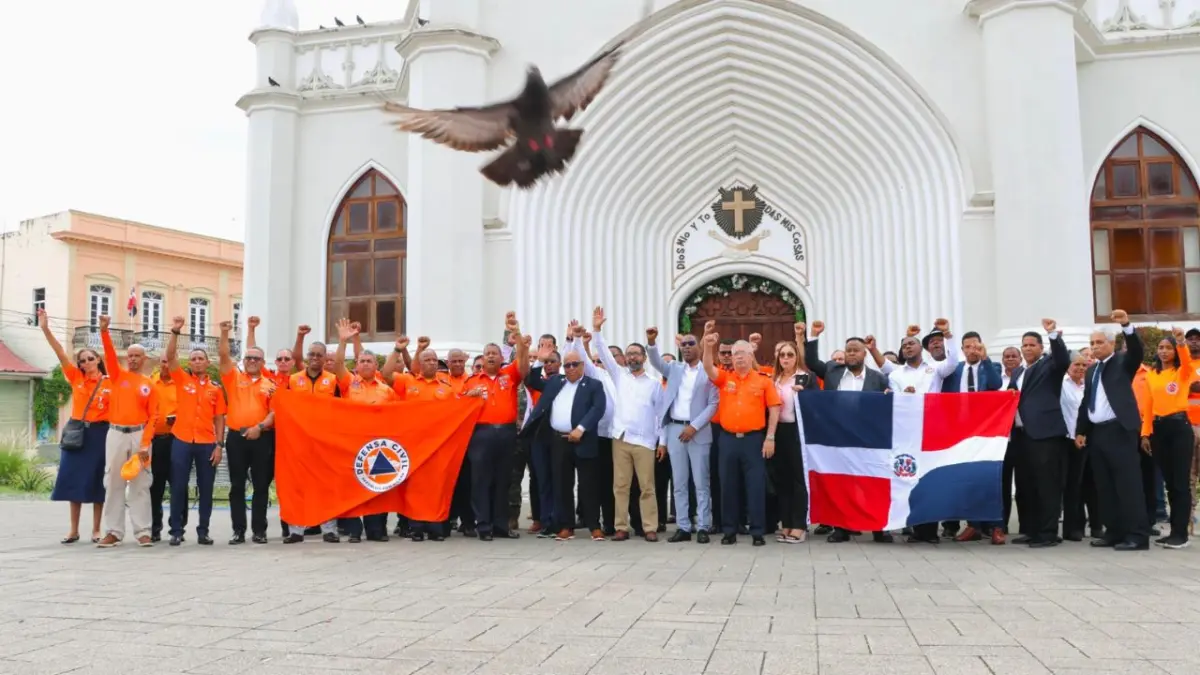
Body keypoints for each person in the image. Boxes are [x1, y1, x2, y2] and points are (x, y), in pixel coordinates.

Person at [803, 324, 893, 543]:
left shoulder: (877, 378)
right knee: (842, 484)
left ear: (864, 354)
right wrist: (814, 336)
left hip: (867, 439)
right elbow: (812, 363)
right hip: (839, 437)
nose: (851, 353)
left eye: (856, 350)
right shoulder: (833, 372)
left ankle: (878, 528)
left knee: (871, 483)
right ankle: (841, 528)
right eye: (848, 350)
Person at [1074, 310, 1150, 551]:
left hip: (1120, 431)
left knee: (1127, 484)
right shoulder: (1092, 370)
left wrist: (1126, 325)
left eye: (1099, 343)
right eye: (1092, 343)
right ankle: (1114, 531)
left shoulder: (1122, 362)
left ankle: (1137, 535)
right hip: (1098, 433)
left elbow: (1136, 350)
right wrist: (1081, 431)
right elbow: (1087, 402)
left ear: (1112, 343)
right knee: (1104, 485)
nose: (1095, 347)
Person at [701, 323, 781, 547]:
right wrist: (708, 346)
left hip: (754, 439)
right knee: (728, 485)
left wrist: (770, 437)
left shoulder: (763, 380)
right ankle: (729, 531)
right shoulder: (726, 379)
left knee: (755, 485)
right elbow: (708, 367)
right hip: (727, 439)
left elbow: (775, 408)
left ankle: (757, 531)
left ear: (750, 354)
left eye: (742, 353)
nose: (738, 358)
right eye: (735, 354)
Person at [590, 307, 664, 542]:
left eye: (636, 354)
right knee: (620, 486)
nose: (632, 357)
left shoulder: (653, 383)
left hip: (645, 441)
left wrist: (662, 441)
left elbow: (660, 416)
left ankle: (649, 527)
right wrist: (597, 329)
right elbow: (602, 352)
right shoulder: (619, 375)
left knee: (647, 487)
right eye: (629, 354)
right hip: (620, 439)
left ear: (644, 358)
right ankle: (621, 526)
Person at [520, 345, 607, 541]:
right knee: (561, 484)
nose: (570, 368)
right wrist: (540, 361)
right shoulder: (555, 382)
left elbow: (598, 408)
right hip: (559, 441)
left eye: (574, 364)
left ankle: (594, 525)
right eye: (567, 365)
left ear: (582, 365)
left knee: (588, 485)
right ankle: (566, 525)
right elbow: (531, 380)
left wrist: (581, 428)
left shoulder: (593, 385)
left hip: (583, 439)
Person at [38, 308, 110, 544]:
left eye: (90, 358)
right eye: (82, 360)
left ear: (98, 359)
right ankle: (74, 529)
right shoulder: (76, 378)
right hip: (77, 432)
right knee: (74, 479)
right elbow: (60, 353)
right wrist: (45, 328)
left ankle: (97, 529)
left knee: (98, 481)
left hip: (101, 433)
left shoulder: (110, 383)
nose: (86, 362)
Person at [460, 312, 530, 541]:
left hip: (507, 433)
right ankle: (484, 526)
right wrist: (467, 397)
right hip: (481, 435)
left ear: (501, 358)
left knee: (504, 480)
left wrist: (516, 334)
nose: (491, 357)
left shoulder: (509, 376)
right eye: (487, 354)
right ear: (482, 359)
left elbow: (522, 360)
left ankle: (501, 525)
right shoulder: (471, 381)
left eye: (495, 354)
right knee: (481, 481)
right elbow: (457, 408)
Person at [647, 326, 719, 544]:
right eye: (683, 344)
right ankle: (683, 526)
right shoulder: (675, 369)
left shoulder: (709, 371)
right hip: (675, 430)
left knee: (701, 482)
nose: (686, 347)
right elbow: (657, 363)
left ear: (699, 347)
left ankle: (704, 525)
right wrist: (651, 343)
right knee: (679, 482)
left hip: (699, 431)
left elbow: (714, 404)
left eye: (690, 344)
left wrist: (694, 426)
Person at [1008, 319, 1072, 547]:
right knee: (1027, 486)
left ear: (1041, 347)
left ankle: (1048, 533)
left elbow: (1063, 359)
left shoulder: (1049, 365)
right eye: (1024, 345)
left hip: (1046, 435)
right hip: (1022, 436)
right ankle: (1031, 529)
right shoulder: (1017, 372)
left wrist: (1053, 334)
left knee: (1047, 485)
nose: (1027, 348)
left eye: (1032, 345)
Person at [163, 315, 227, 546]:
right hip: (181, 439)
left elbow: (220, 418)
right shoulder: (182, 380)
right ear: (189, 363)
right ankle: (176, 531)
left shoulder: (215, 389)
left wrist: (219, 445)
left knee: (206, 488)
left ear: (208, 363)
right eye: (193, 359)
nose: (197, 361)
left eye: (201, 358)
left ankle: (203, 531)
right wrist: (175, 332)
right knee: (178, 486)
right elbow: (170, 357)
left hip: (206, 443)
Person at [95, 315, 158, 548]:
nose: (132, 359)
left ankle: (142, 531)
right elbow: (109, 356)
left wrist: (145, 443)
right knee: (113, 481)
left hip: (139, 435)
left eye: (136, 356)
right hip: (116, 434)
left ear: (144, 359)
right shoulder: (117, 376)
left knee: (141, 482)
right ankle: (113, 531)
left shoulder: (149, 384)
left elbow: (154, 417)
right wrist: (104, 331)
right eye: (130, 355)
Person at [218, 319, 276, 545]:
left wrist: (259, 427)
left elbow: (274, 413)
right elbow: (223, 357)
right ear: (243, 361)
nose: (252, 361)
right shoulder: (233, 378)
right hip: (236, 438)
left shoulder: (270, 384)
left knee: (261, 486)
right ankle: (238, 530)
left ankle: (259, 531)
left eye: (256, 358)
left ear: (263, 362)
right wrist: (224, 333)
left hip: (262, 437)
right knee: (236, 485)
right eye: (248, 358)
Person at [1137, 327, 1193, 549]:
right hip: (1159, 430)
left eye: (1168, 348)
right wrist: (1145, 434)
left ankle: (1181, 534)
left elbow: (1188, 361)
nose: (1164, 351)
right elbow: (1149, 406)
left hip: (1179, 427)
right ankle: (1173, 531)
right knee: (1169, 483)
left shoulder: (1182, 372)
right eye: (1161, 348)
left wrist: (1181, 342)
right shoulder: (1153, 374)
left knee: (1180, 484)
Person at [770, 333, 810, 543]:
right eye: (782, 355)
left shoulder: (804, 377)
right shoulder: (774, 380)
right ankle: (785, 523)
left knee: (798, 481)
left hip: (797, 431)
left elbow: (816, 404)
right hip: (778, 432)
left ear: (796, 357)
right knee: (782, 480)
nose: (785, 358)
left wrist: (803, 394)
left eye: (790, 355)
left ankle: (799, 525)